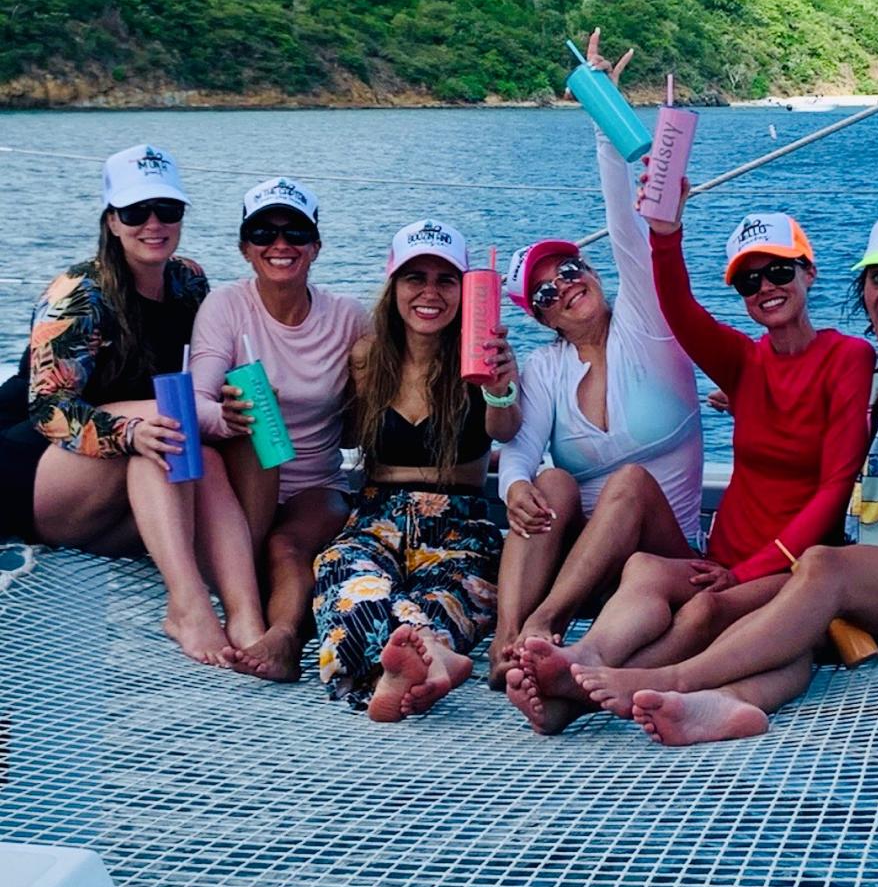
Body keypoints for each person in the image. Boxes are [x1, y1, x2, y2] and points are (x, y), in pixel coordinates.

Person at [587, 207, 878, 747]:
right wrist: (748, 405)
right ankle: (725, 704)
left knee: (823, 568)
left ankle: (672, 680)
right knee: (774, 623)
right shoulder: (875, 365)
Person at [511, 197, 875, 733]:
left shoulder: (849, 357)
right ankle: (585, 655)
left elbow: (835, 487)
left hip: (790, 566)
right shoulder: (745, 363)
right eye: (749, 282)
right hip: (719, 556)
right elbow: (678, 307)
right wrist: (665, 232)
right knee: (643, 569)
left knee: (705, 612)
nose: (767, 287)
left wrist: (745, 572)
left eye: (779, 271)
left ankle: (579, 696)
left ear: (808, 272)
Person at [491, 30, 703, 687]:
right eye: (547, 290)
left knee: (630, 483)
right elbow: (520, 451)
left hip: (664, 556)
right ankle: (504, 650)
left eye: (572, 268)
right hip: (588, 560)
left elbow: (625, 227)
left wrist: (604, 118)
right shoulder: (548, 368)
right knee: (549, 482)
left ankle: (543, 625)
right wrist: (516, 487)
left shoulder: (647, 323)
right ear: (543, 315)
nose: (567, 284)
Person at [1, 144, 266, 665]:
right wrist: (128, 433)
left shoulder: (188, 281)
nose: (153, 223)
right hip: (34, 465)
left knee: (206, 453)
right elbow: (48, 409)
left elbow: (200, 376)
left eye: (167, 210)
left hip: (124, 473)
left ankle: (247, 615)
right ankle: (188, 606)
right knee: (163, 432)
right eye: (135, 211)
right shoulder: (79, 293)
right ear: (112, 221)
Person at [312, 219, 521, 720]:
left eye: (445, 280)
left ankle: (400, 671)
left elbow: (508, 429)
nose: (429, 293)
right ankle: (427, 664)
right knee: (349, 585)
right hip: (376, 519)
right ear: (394, 285)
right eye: (415, 278)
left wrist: (499, 386)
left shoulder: (480, 356)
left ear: (465, 290)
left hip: (461, 523)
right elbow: (333, 433)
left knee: (450, 598)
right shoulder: (366, 358)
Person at [190, 177, 370, 682]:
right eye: (263, 233)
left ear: (316, 246)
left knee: (286, 547)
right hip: (243, 482)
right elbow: (198, 403)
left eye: (295, 233)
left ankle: (284, 639)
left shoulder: (350, 318)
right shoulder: (226, 306)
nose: (280, 245)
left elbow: (364, 429)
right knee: (250, 424)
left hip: (315, 482)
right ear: (245, 248)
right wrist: (226, 418)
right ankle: (245, 588)